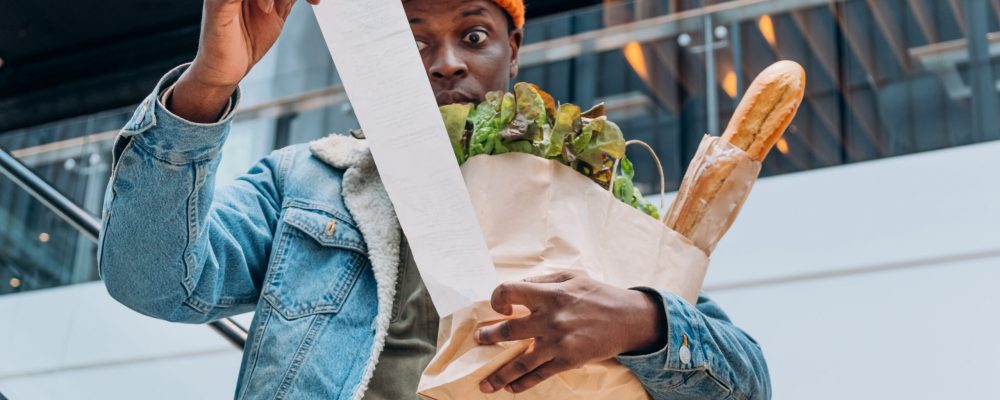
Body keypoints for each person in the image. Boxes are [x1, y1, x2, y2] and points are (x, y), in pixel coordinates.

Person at [98, 0, 771, 398]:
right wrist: (210, 81)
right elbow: (152, 282)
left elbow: (747, 381)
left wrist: (639, 320)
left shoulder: (587, 196)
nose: (445, 60)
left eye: (473, 36)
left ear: (514, 51)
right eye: (412, 40)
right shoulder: (303, 180)